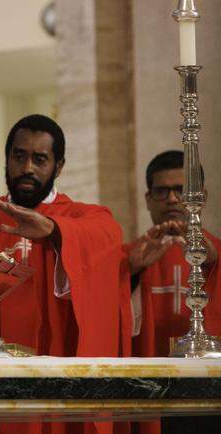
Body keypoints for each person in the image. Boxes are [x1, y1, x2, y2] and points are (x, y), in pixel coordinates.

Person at [0, 114, 131, 434]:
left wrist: (56, 231)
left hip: (59, 379)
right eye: (19, 156)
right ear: (7, 159)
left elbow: (107, 233)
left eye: (40, 159)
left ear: (58, 166)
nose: (28, 167)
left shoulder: (79, 217)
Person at [124, 150, 220, 434]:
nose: (173, 199)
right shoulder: (132, 257)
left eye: (182, 190)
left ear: (200, 196)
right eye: (162, 191)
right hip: (150, 386)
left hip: (210, 388)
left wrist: (214, 262)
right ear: (148, 199)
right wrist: (129, 273)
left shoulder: (216, 254)